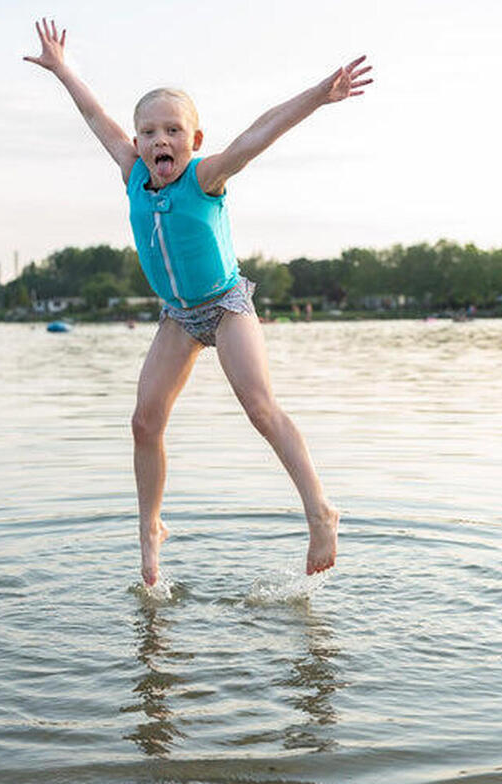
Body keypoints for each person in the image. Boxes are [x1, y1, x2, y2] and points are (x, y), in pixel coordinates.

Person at [24, 18, 373, 586]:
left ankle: (320, 511)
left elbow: (258, 135)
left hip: (226, 304)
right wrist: (63, 68)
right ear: (137, 142)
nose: (160, 141)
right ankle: (150, 528)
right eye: (149, 133)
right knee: (144, 421)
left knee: (260, 408)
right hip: (178, 317)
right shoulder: (132, 172)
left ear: (194, 141)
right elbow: (95, 115)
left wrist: (319, 94)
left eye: (172, 131)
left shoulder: (206, 177)